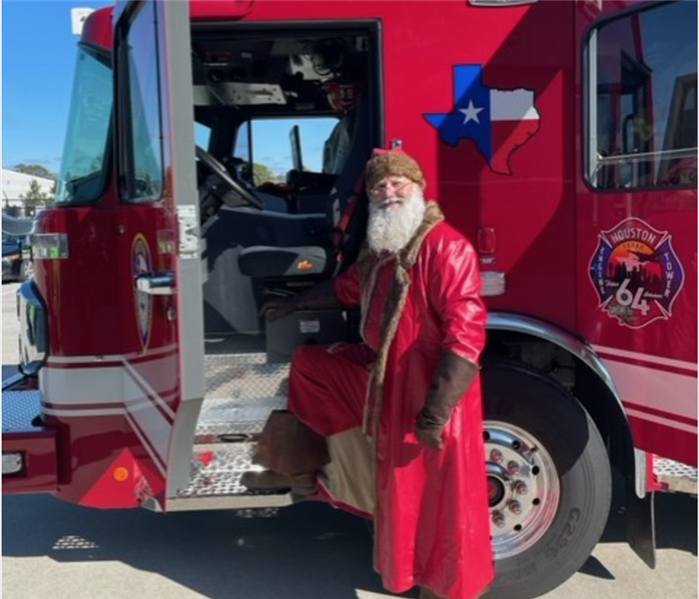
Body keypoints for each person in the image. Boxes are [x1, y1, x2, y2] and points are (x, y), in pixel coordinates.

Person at [243, 150, 494, 599]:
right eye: (380, 187)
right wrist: (295, 304)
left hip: (427, 393)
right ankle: (309, 468)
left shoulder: (445, 247)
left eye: (398, 183)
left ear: (418, 189)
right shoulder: (382, 254)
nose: (388, 193)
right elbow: (345, 289)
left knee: (437, 499)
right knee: (311, 365)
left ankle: (443, 587)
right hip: (385, 378)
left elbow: (467, 333)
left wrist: (436, 412)